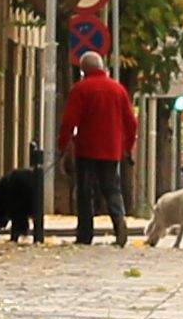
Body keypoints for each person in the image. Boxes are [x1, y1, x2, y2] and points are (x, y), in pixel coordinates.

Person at [60, 48, 140, 247]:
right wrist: (128, 146)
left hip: (87, 148)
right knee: (112, 188)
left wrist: (63, 144)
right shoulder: (118, 89)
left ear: (83, 70)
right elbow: (131, 122)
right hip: (112, 149)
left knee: (85, 192)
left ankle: (85, 234)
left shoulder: (81, 89)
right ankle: (118, 219)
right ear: (102, 67)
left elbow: (69, 121)